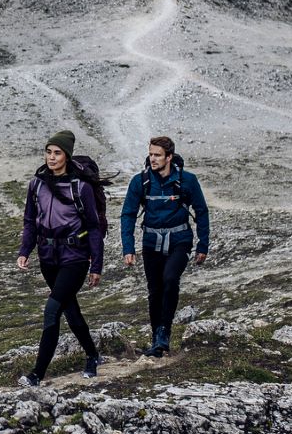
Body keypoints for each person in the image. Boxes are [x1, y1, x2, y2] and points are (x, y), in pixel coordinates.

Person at [16, 129, 105, 385]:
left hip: (75, 257)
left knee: (52, 310)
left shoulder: (81, 187)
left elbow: (94, 227)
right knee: (70, 309)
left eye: (57, 153)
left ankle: (37, 374)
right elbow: (30, 221)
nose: (51, 157)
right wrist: (25, 251)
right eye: (48, 152)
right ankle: (93, 355)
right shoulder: (36, 184)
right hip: (48, 258)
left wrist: (96, 265)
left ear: (67, 156)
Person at [119, 135, 209, 357]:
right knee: (154, 290)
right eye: (151, 154)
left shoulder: (187, 181)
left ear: (169, 157)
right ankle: (156, 339)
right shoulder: (140, 182)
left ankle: (164, 333)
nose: (153, 159)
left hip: (180, 240)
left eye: (158, 155)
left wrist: (203, 245)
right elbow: (128, 214)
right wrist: (128, 248)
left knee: (170, 280)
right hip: (151, 242)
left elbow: (201, 211)